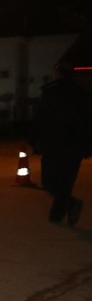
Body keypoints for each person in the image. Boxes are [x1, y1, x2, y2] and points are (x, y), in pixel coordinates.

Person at [28, 62, 92, 226]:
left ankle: (70, 204)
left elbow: (39, 119)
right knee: (66, 180)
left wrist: (32, 140)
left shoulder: (51, 93)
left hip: (55, 143)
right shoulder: (82, 94)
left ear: (58, 74)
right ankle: (57, 215)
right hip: (76, 145)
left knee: (49, 179)